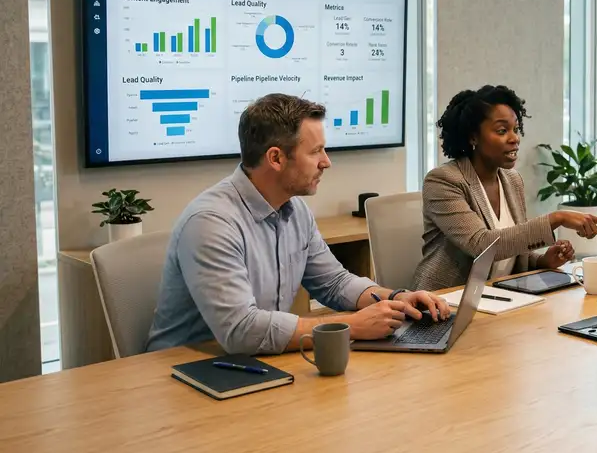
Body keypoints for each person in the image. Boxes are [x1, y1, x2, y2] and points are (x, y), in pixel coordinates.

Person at [145, 94, 452, 355]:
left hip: (255, 362)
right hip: (183, 372)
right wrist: (350, 326)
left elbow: (334, 283)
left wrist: (396, 298)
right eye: (316, 151)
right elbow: (241, 331)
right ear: (276, 158)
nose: (326, 162)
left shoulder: (295, 211)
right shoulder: (211, 223)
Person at [412, 85, 597, 291]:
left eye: (516, 129)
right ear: (473, 137)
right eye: (502, 131)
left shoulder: (512, 180)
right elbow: (482, 246)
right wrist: (556, 219)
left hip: (500, 295)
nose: (514, 138)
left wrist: (542, 261)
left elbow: (510, 251)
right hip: (444, 299)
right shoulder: (443, 181)